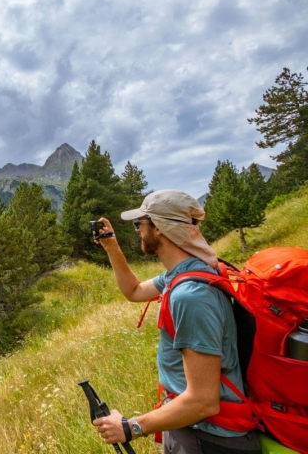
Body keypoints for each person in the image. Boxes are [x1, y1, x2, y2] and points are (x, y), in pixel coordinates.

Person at [91, 189, 261, 453]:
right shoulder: (184, 272)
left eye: (139, 224)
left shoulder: (191, 296)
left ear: (158, 227)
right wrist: (111, 246)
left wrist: (130, 427)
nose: (137, 231)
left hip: (209, 438)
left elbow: (203, 402)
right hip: (194, 429)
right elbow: (134, 291)